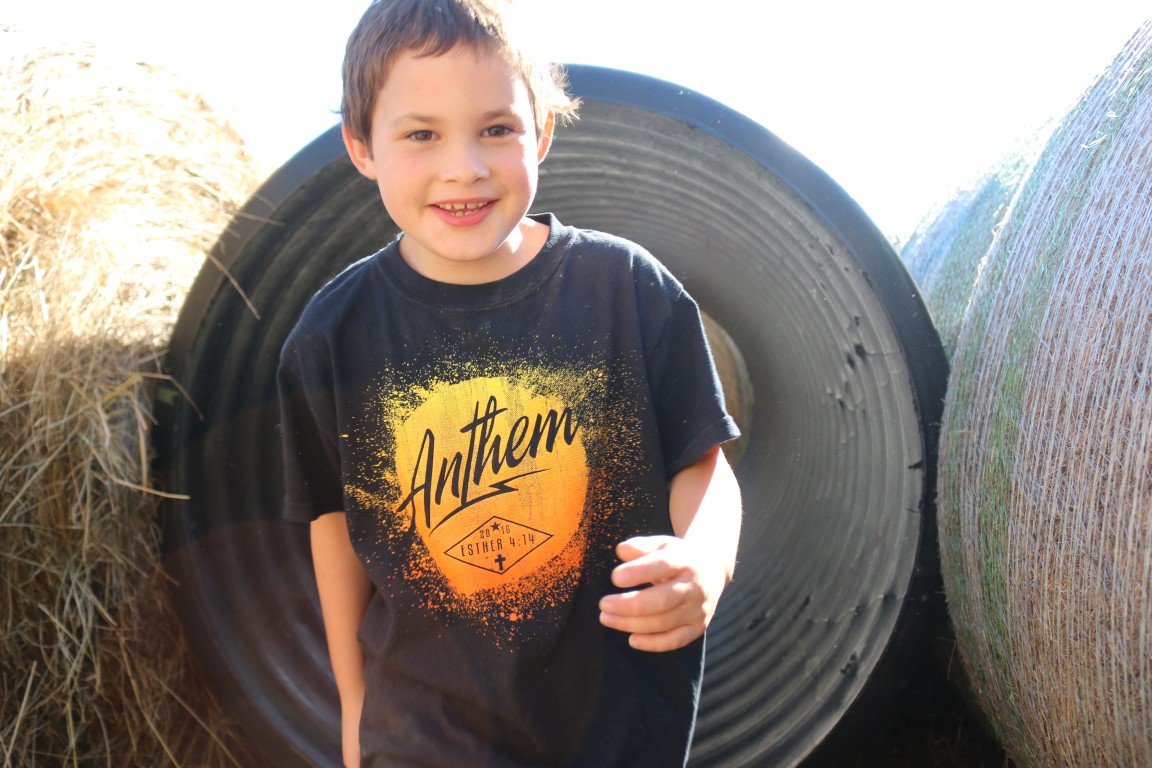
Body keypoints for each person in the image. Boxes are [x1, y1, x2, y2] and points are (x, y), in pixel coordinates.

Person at [277, 1, 743, 765]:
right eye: (421, 134)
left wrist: (706, 563)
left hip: (614, 730)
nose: (464, 166)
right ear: (361, 147)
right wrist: (355, 716)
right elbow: (337, 531)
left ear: (543, 133)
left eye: (496, 129)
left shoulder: (624, 288)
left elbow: (704, 465)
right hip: (422, 732)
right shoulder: (333, 336)